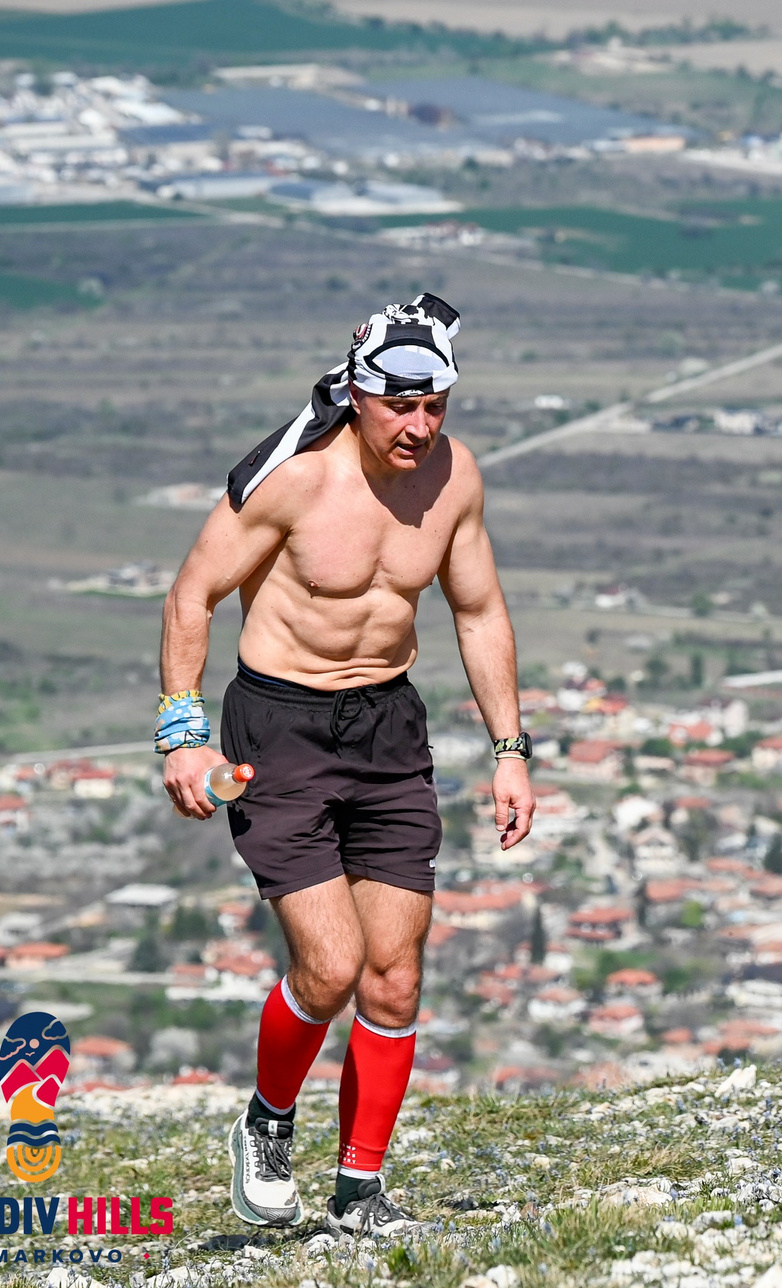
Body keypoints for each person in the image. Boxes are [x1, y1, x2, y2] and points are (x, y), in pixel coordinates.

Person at [157, 295, 532, 1234]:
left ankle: (361, 1190)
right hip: (277, 727)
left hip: (388, 731)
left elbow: (478, 611)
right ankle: (267, 1122)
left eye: (436, 403)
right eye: (400, 404)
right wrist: (181, 731)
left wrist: (510, 750)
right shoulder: (294, 478)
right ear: (357, 393)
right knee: (327, 967)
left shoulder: (455, 480)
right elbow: (192, 594)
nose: (420, 424)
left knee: (395, 976)